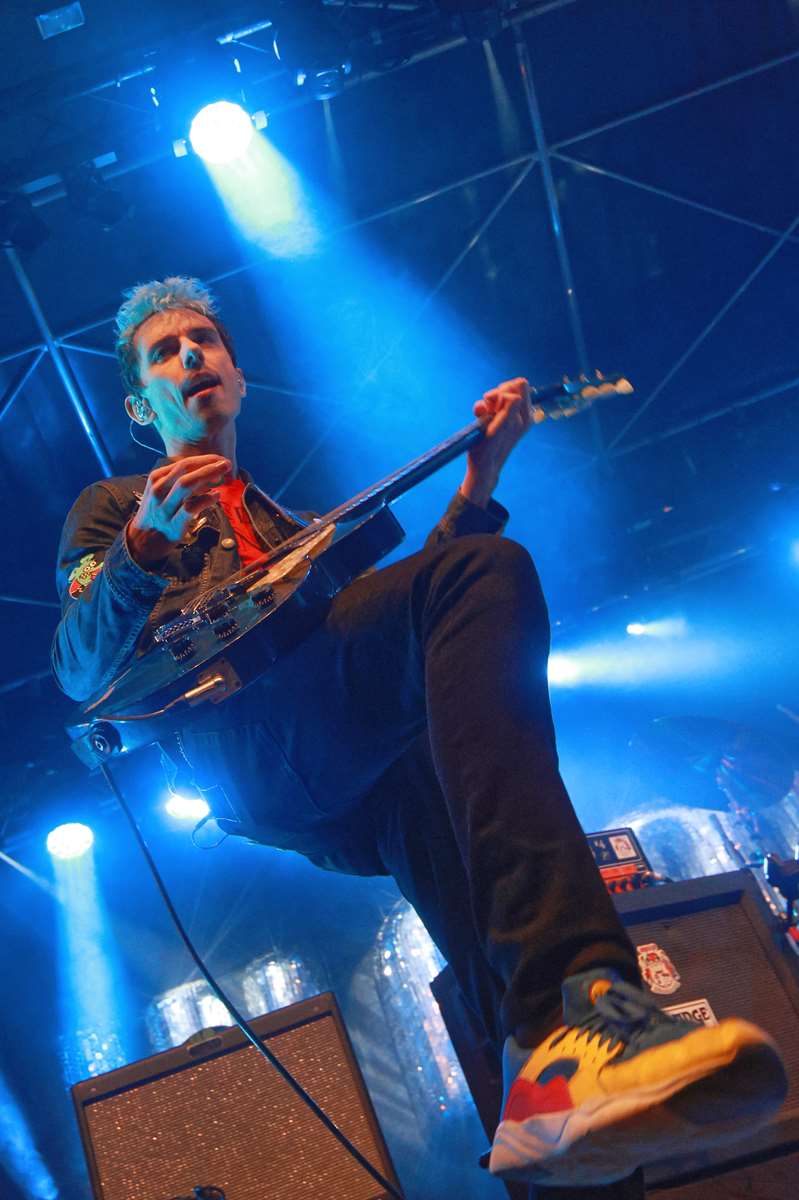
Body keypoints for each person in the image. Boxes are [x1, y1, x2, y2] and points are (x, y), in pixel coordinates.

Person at [52, 278, 786, 1190]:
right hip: (247, 752)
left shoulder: (288, 524)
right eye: (164, 352)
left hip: (357, 769)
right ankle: (586, 1000)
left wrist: (480, 482)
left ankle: (564, 1062)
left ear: (239, 377)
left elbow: (413, 637)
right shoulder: (111, 506)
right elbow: (78, 667)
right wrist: (141, 550)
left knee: (473, 884)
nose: (190, 355)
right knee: (477, 576)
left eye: (204, 340)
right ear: (139, 405)